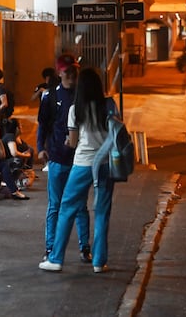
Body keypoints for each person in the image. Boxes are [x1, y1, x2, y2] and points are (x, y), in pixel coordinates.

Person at [39, 68, 117, 273]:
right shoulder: (109, 105)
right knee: (102, 211)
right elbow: (115, 132)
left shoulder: (76, 109)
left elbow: (73, 143)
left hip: (83, 162)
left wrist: (68, 140)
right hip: (106, 164)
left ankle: (56, 259)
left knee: (67, 208)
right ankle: (99, 262)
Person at [36, 54, 91, 263]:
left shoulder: (82, 96)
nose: (71, 75)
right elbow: (43, 125)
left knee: (80, 205)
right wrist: (41, 148)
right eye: (67, 71)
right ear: (59, 72)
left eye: (74, 71)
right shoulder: (50, 97)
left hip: (79, 159)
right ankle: (50, 248)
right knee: (55, 205)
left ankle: (84, 247)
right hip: (58, 158)